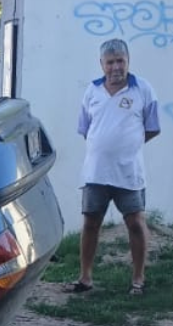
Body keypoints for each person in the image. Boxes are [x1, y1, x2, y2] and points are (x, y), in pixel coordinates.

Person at [68, 38, 161, 296]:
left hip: (129, 172)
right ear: (102, 64)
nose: (116, 67)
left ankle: (138, 279)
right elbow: (86, 129)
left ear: (128, 61)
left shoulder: (143, 89)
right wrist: (105, 147)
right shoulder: (92, 91)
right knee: (90, 223)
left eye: (121, 61)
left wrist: (127, 146)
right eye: (110, 62)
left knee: (135, 223)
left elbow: (153, 128)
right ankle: (85, 278)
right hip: (95, 172)